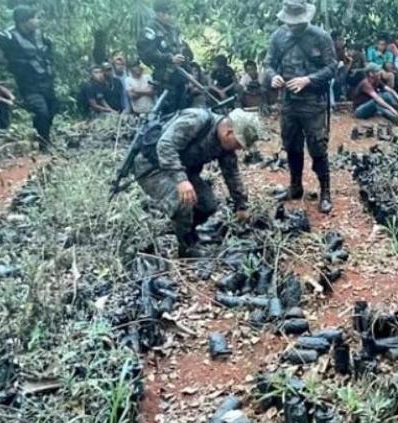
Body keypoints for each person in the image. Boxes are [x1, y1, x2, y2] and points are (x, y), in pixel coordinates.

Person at [132, 108, 262, 258]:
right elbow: (165, 146)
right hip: (152, 168)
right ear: (228, 132)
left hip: (183, 170)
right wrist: (181, 181)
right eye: (239, 144)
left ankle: (185, 228)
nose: (238, 149)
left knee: (208, 205)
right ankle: (186, 247)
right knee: (183, 201)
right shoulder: (196, 120)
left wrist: (241, 205)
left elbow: (231, 173)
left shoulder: (225, 146)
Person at [264, 0, 337, 214]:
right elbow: (268, 63)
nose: (293, 26)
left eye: (297, 22)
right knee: (292, 145)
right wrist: (273, 76)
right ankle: (295, 187)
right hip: (288, 103)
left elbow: (332, 67)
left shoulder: (320, 37)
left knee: (317, 147)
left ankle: (325, 191)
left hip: (313, 103)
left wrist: (308, 79)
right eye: (290, 22)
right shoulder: (278, 36)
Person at [0, 5, 57, 150]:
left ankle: (42, 136)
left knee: (53, 108)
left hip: (45, 82)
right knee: (41, 111)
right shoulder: (10, 36)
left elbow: (48, 52)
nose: (37, 21)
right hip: (28, 85)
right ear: (23, 21)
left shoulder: (40, 35)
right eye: (34, 18)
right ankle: (44, 144)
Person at [137, 0, 194, 113]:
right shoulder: (150, 29)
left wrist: (186, 64)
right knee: (168, 111)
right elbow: (147, 53)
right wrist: (169, 58)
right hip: (164, 77)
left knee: (182, 109)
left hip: (179, 76)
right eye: (167, 13)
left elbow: (180, 48)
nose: (170, 17)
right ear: (159, 13)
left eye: (171, 13)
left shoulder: (173, 29)